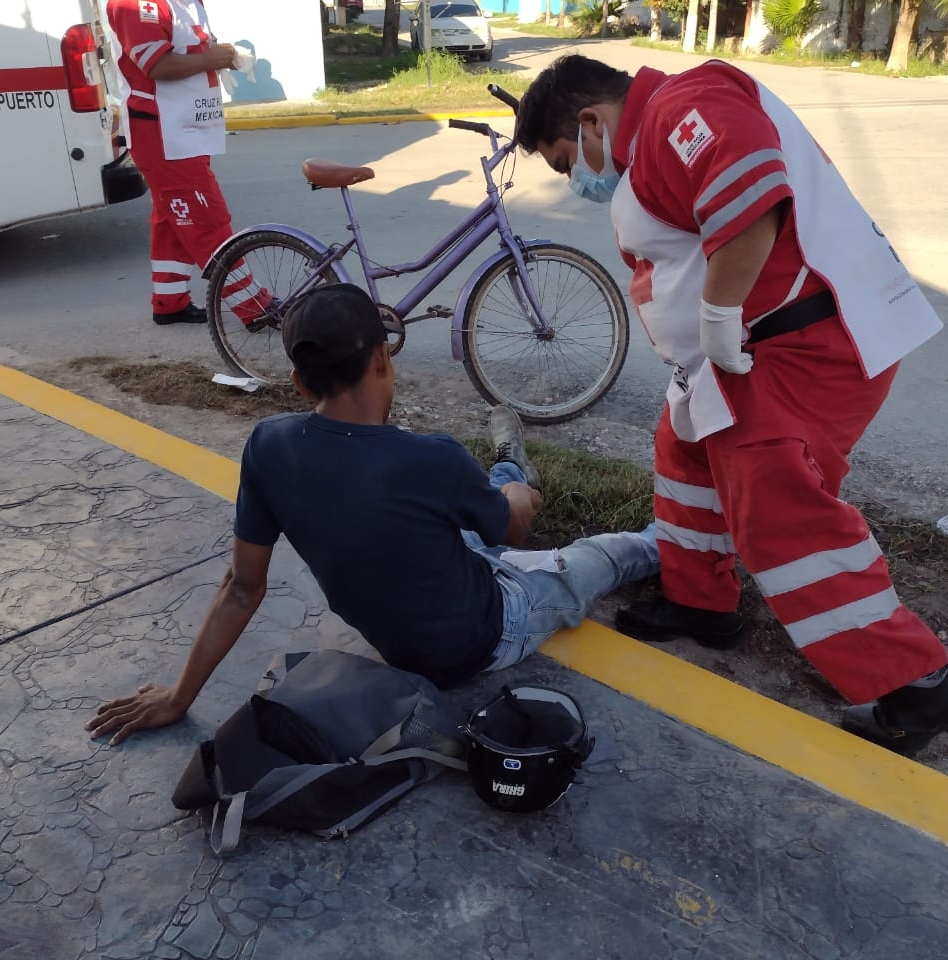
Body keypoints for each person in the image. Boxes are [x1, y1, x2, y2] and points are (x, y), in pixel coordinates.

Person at [512, 54, 948, 756]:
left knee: (777, 507)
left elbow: (751, 201)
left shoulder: (682, 110)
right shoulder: (658, 134)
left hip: (804, 341)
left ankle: (916, 685)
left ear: (590, 122)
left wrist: (715, 318)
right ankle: (699, 598)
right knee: (685, 449)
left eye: (566, 161)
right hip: (758, 342)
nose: (578, 179)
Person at [87, 283, 659, 745]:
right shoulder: (429, 458)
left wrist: (178, 696)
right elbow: (513, 532)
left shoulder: (268, 447)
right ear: (384, 357)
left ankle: (508, 465)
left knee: (465, 511)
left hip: (413, 621)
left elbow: (241, 587)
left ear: (297, 379)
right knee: (597, 554)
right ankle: (658, 532)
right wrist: (518, 507)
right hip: (489, 632)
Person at [106, 0, 271, 327]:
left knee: (173, 215)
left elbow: (190, 50)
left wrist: (223, 58)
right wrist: (210, 59)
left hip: (184, 127)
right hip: (162, 130)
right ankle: (255, 307)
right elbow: (156, 65)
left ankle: (169, 300)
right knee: (204, 215)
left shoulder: (187, 3)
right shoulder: (137, 4)